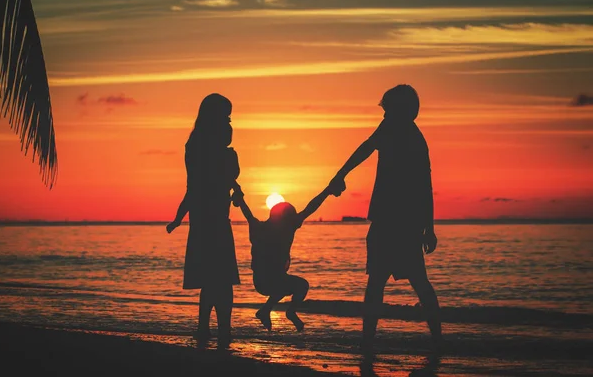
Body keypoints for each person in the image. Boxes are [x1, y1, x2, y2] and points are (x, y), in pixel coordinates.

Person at [329, 84, 442, 355]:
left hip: (400, 224)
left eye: (387, 110)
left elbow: (424, 186)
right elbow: (366, 148)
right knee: (385, 281)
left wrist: (429, 228)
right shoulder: (393, 129)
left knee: (412, 281)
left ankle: (434, 339)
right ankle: (370, 341)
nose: (383, 116)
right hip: (391, 221)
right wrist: (340, 174)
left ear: (401, 111)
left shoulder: (409, 137)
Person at [166, 93, 240, 348]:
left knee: (215, 278)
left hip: (211, 218)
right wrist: (179, 216)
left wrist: (180, 217)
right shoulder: (204, 147)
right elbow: (197, 184)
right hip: (211, 220)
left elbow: (212, 181)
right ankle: (216, 330)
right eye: (225, 117)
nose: (229, 123)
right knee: (219, 278)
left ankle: (211, 329)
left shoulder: (206, 147)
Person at [232, 183, 333, 332]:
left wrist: (239, 196)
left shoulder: (257, 227)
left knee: (283, 285)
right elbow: (310, 208)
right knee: (301, 285)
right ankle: (290, 312)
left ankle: (265, 310)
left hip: (260, 281)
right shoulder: (287, 228)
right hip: (272, 280)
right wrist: (327, 191)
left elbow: (246, 212)